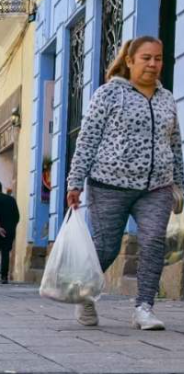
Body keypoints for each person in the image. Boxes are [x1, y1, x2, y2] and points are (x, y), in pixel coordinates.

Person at [67, 37, 183, 330]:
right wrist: (75, 182)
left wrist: (179, 184)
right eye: (146, 58)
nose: (153, 64)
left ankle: (144, 308)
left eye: (158, 58)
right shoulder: (109, 94)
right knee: (106, 248)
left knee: (154, 242)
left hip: (156, 187)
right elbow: (88, 139)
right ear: (130, 61)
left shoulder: (166, 98)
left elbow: (175, 144)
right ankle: (85, 295)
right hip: (109, 185)